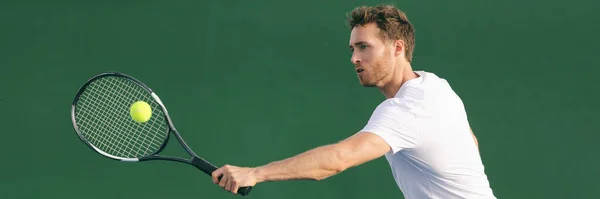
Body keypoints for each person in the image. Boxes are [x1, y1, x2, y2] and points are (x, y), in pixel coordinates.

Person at [211, 4, 496, 199]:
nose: (354, 58)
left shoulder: (405, 109)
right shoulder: (435, 86)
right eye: (352, 49)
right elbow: (471, 143)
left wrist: (255, 173)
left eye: (364, 47)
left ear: (398, 47)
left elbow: (338, 159)